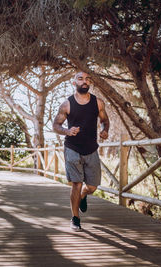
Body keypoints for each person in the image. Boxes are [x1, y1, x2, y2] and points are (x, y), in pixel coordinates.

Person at [53, 71, 110, 231]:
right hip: (72, 148)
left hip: (91, 148)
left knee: (92, 186)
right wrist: (67, 131)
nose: (84, 81)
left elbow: (105, 121)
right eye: (80, 79)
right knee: (76, 184)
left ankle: (84, 195)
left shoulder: (98, 103)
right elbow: (55, 126)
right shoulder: (67, 104)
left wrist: (105, 131)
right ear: (74, 83)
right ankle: (75, 218)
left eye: (87, 79)